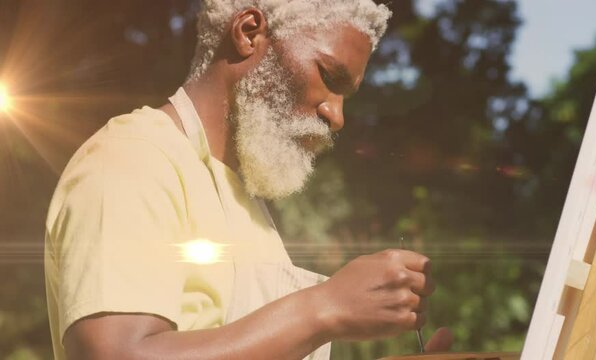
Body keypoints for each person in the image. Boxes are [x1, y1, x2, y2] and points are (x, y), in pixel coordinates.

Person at [44, 1, 454, 359]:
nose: (337, 115)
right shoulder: (133, 157)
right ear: (249, 32)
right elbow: (116, 355)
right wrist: (322, 309)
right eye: (330, 77)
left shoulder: (246, 205)